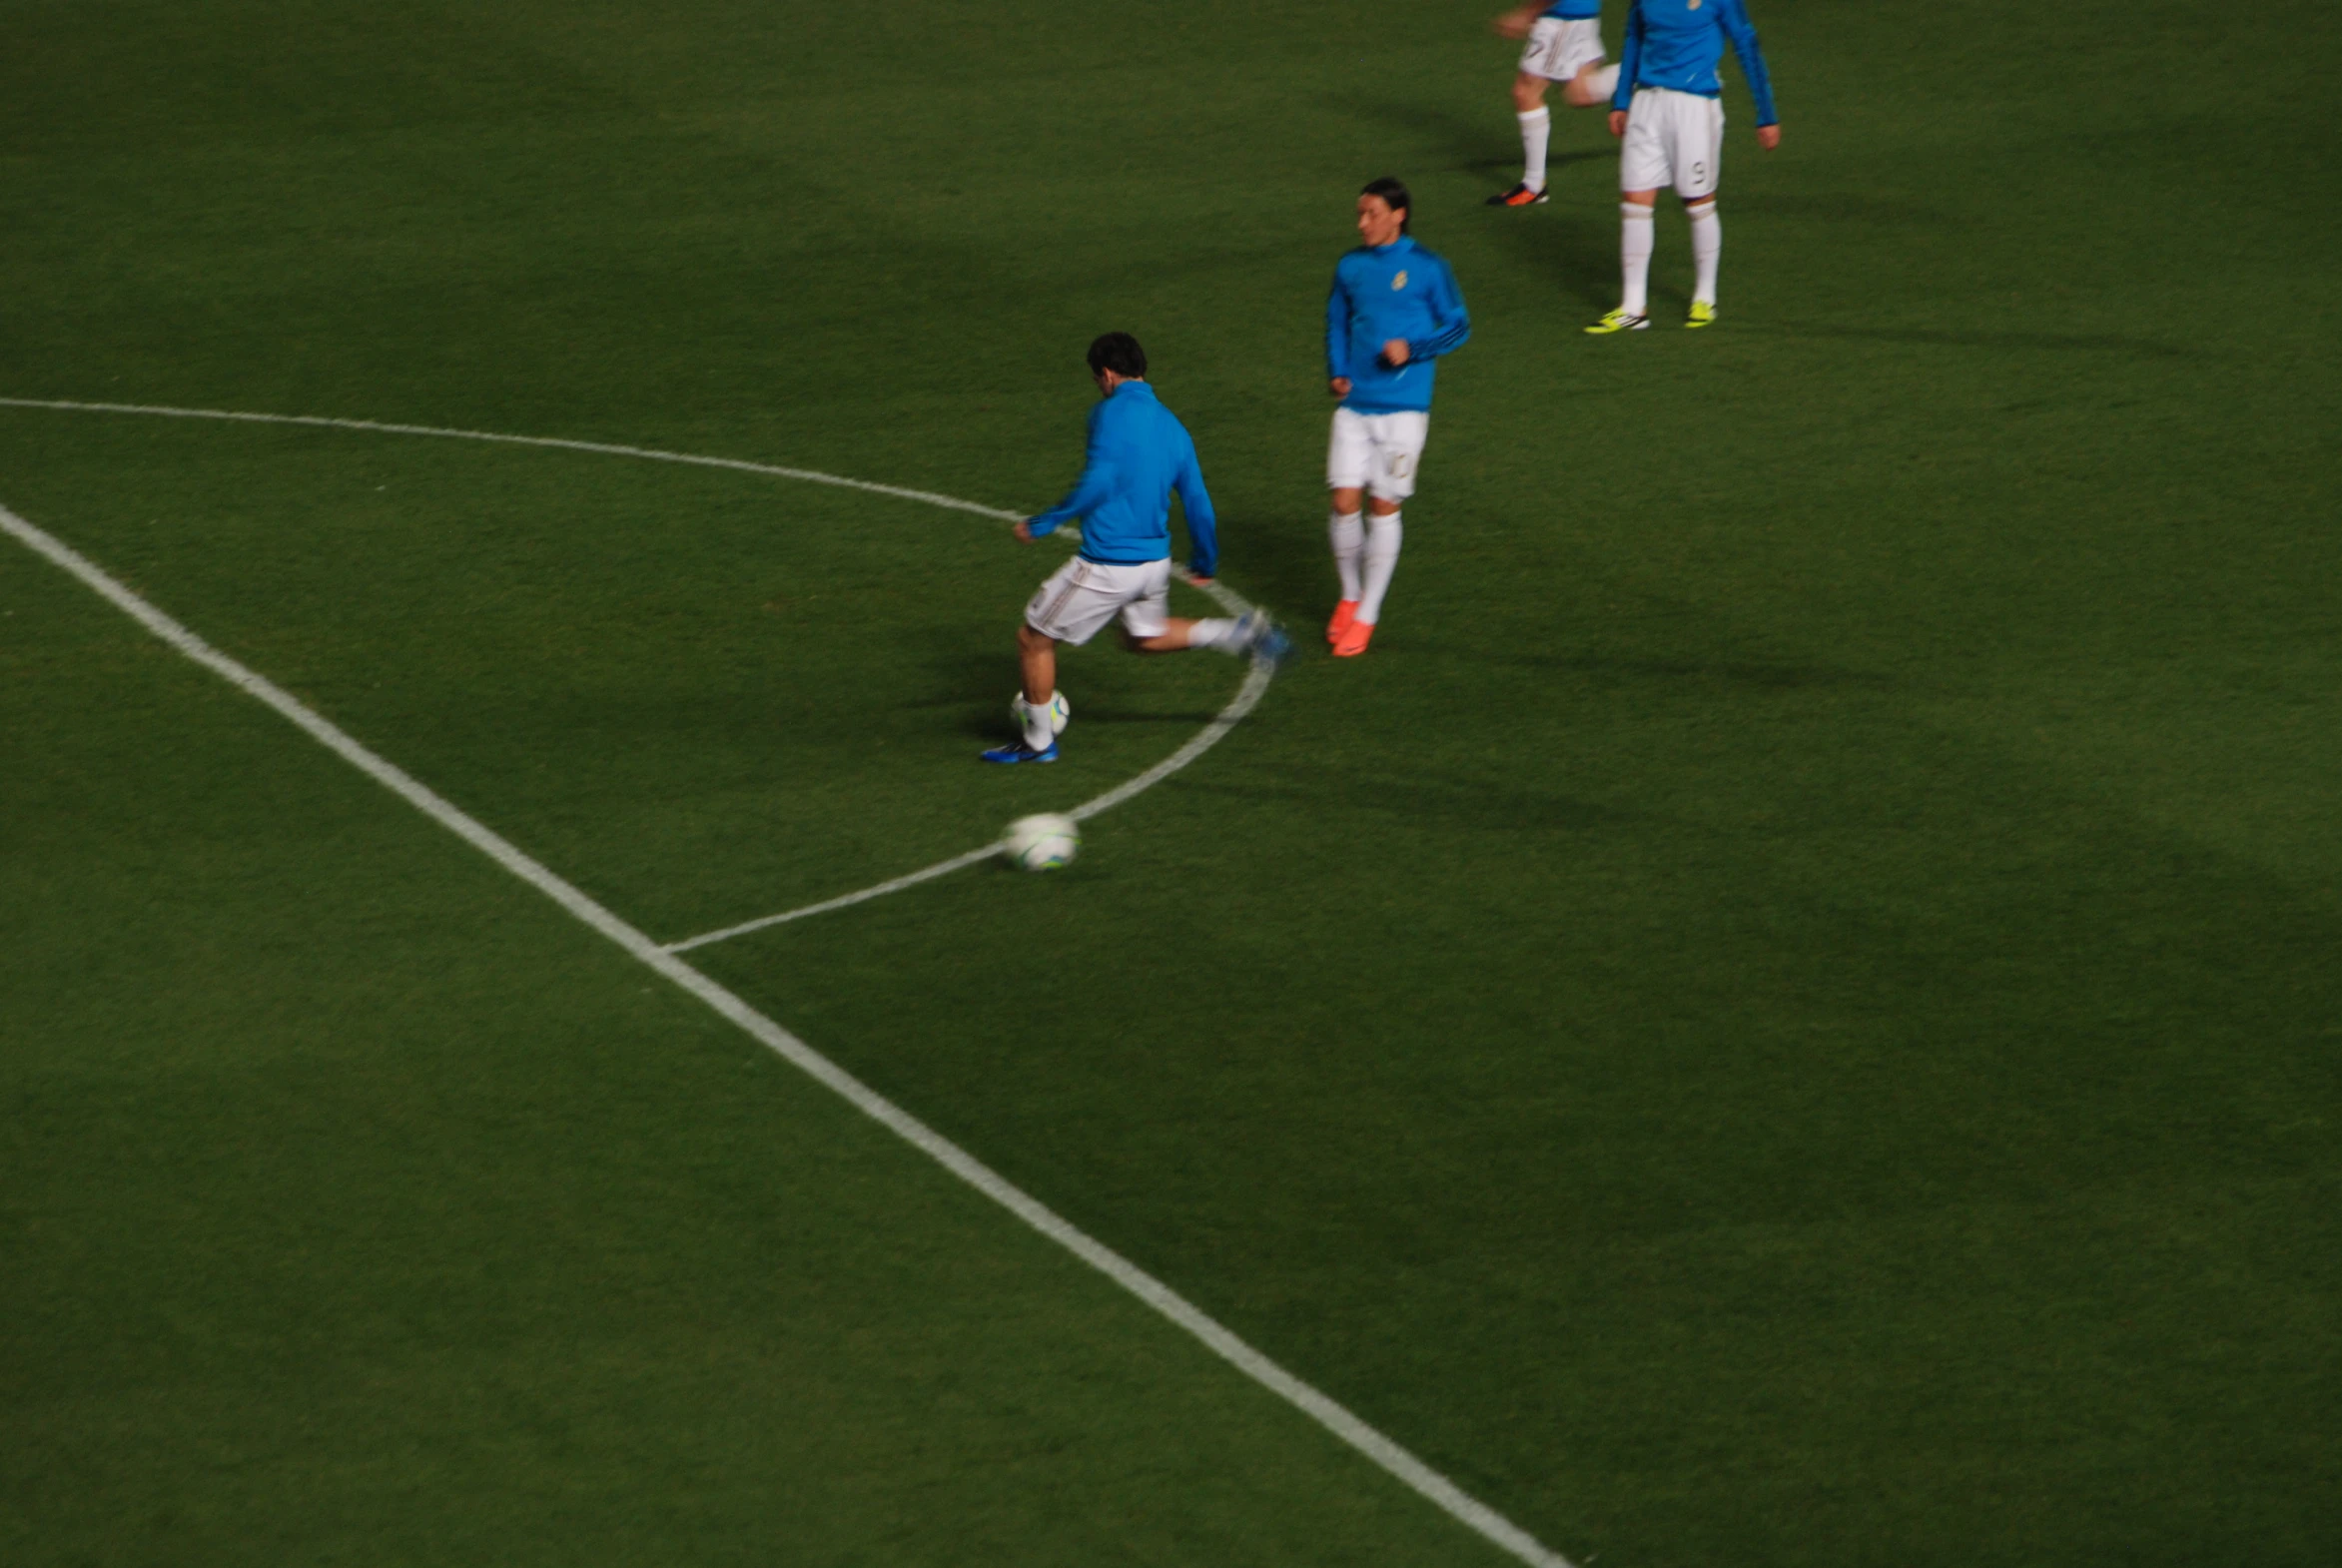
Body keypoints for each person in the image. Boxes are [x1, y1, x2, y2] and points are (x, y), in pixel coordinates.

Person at [984, 333, 1287, 765]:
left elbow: (1100, 481)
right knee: (1142, 637)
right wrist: (1205, 559)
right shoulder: (1173, 425)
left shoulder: (1108, 414)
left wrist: (1045, 522)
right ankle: (1237, 633)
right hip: (1154, 564)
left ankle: (1036, 743)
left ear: (1106, 375)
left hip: (1109, 564)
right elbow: (1198, 501)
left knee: (1033, 638)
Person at [1323, 178, 1470, 658]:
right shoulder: (1351, 265)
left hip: (1405, 410)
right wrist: (1339, 370)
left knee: (1383, 506)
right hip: (1354, 405)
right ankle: (1349, 595)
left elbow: (1458, 326)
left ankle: (1367, 614)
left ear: (1398, 214)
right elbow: (1337, 317)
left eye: (1371, 213)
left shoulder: (1428, 267)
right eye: (1359, 214)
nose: (1362, 222)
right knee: (1344, 502)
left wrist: (1414, 349)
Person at [1585, 0, 1780, 333]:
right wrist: (1621, 100)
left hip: (1694, 108)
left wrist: (1766, 113)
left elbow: (1746, 45)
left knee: (1698, 202)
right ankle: (1633, 306)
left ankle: (1705, 297)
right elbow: (1634, 39)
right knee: (1635, 201)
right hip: (1647, 103)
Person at [1486, 2, 1621, 207]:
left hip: (1562, 17)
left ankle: (1533, 187)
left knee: (1526, 91)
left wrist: (1526, 13)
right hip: (1575, 15)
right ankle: (1649, 70)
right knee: (1580, 92)